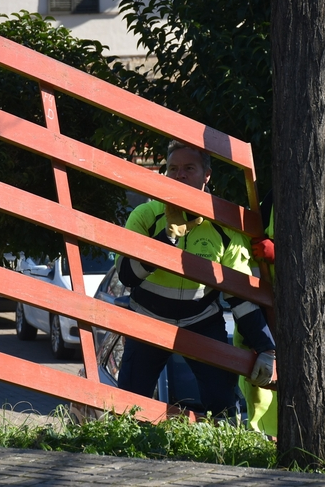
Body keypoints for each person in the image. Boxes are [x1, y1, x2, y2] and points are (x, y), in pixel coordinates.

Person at [115, 140, 276, 418]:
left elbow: (239, 295)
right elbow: (127, 276)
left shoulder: (225, 227)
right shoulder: (145, 215)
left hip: (201, 322)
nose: (180, 175)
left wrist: (266, 347)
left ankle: (224, 457)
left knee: (224, 405)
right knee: (129, 405)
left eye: (189, 168)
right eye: (173, 168)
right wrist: (167, 237)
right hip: (147, 319)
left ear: (207, 175)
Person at [245, 189, 325, 436]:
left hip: (320, 317)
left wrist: (281, 255)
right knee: (261, 386)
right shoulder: (263, 210)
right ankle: (262, 439)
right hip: (268, 314)